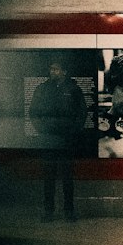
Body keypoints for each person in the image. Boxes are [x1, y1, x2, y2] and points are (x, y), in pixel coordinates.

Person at [28, 58, 87, 220]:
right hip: (48, 140)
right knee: (49, 177)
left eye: (56, 69)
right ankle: (49, 212)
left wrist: (73, 131)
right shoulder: (42, 89)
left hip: (66, 141)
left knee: (67, 177)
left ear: (64, 72)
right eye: (51, 69)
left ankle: (69, 211)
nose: (52, 72)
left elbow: (81, 113)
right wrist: (43, 130)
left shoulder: (74, 89)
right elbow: (33, 113)